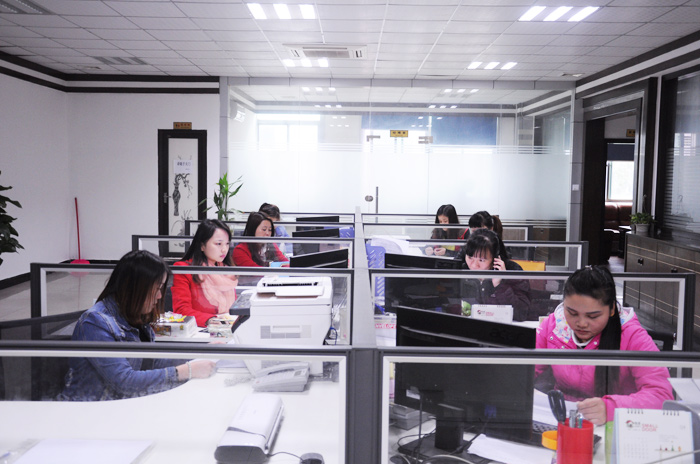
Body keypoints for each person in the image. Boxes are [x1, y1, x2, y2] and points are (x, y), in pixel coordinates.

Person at [60, 250, 216, 401]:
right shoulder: (95, 322)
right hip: (91, 409)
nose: (160, 296)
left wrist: (200, 352)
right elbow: (125, 381)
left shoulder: (136, 315)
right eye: (156, 289)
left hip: (124, 403)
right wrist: (185, 371)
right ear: (135, 288)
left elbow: (152, 361)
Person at [535, 266, 674, 425]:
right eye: (572, 313)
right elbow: (526, 369)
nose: (581, 323)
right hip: (562, 419)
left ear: (612, 309)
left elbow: (661, 396)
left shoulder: (632, 336)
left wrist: (611, 408)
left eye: (593, 316)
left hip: (615, 426)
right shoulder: (554, 326)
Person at [171, 218, 238, 327]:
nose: (224, 249)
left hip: (227, 326)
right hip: (199, 330)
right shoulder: (184, 270)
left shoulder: (226, 270)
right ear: (202, 245)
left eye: (227, 244)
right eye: (218, 244)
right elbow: (181, 310)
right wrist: (209, 320)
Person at [460, 229, 531, 321]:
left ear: (495, 258)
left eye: (481, 260)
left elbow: (522, 314)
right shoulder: (462, 270)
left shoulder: (513, 271)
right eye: (470, 257)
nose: (474, 265)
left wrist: (500, 285)